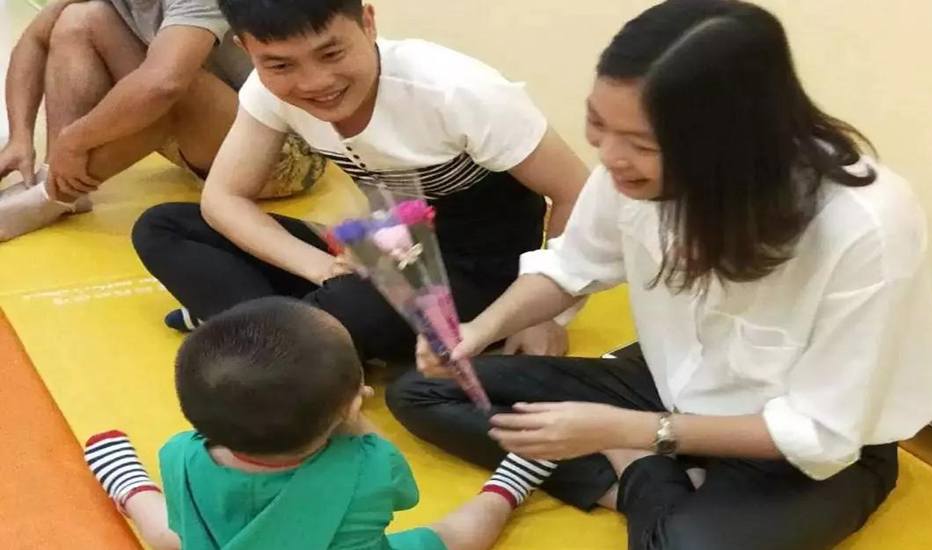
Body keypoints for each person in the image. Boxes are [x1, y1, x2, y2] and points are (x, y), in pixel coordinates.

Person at [386, 1, 932, 549]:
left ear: (732, 144)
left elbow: (823, 432)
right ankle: (653, 482)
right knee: (424, 391)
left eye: (642, 145)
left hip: (805, 444)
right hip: (667, 381)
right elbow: (572, 266)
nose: (610, 157)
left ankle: (635, 469)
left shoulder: (862, 226)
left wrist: (626, 433)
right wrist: (477, 332)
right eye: (598, 125)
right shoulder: (628, 168)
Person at [130, 0, 588, 360]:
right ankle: (275, 333)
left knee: (347, 313)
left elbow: (577, 195)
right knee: (163, 227)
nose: (315, 82)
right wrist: (322, 268)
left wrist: (545, 316)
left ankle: (251, 325)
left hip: (478, 270)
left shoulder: (456, 91)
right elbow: (224, 198)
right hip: (380, 249)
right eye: (280, 64)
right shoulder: (268, 91)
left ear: (367, 23)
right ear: (246, 49)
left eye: (331, 53)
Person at [83, 297, 556, 550]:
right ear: (353, 405)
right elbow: (406, 494)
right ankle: (508, 485)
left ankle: (127, 484)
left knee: (172, 535)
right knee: (454, 537)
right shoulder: (369, 469)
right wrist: (354, 420)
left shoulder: (178, 452)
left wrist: (344, 410)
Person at [0, 0, 325, 242]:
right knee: (78, 19)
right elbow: (35, 40)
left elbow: (164, 85)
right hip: (202, 139)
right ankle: (59, 180)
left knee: (169, 82)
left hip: (277, 154)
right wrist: (19, 136)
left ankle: (53, 195)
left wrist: (73, 142)